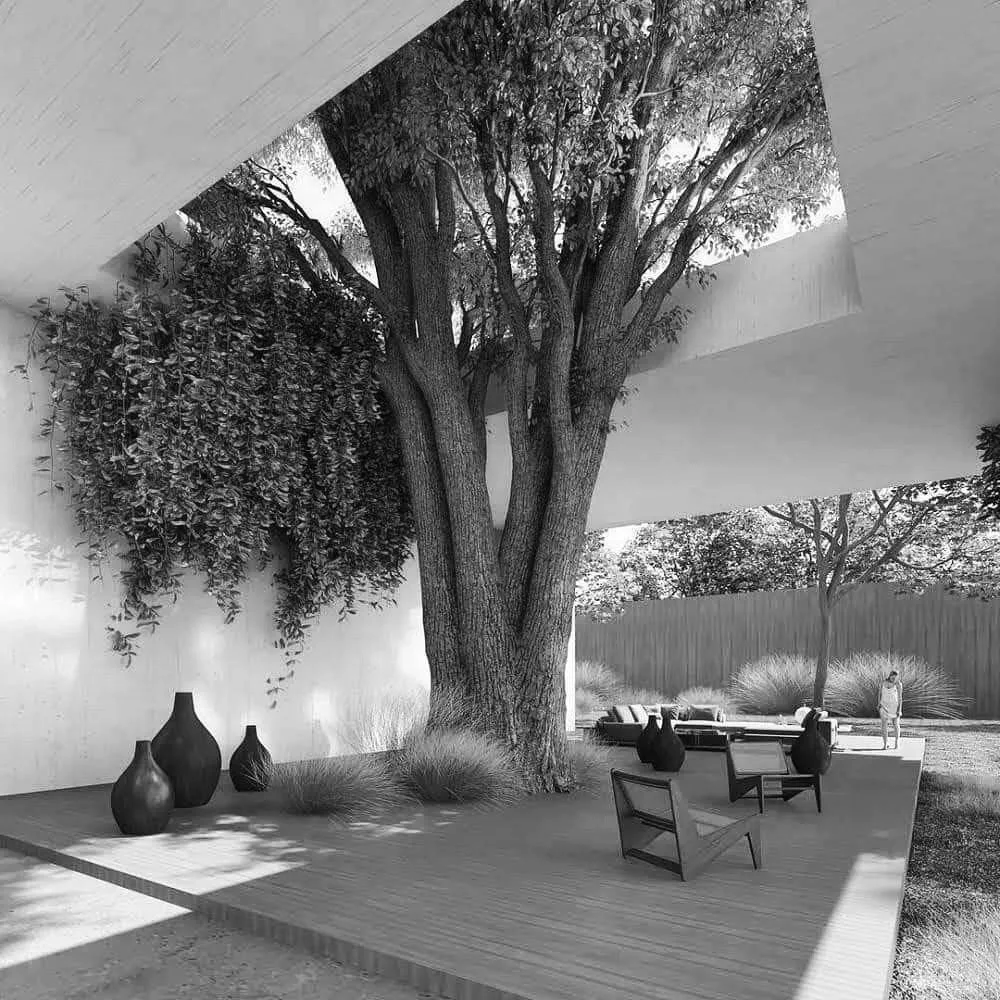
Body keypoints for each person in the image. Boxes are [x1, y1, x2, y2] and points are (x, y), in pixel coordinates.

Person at [878, 669, 903, 750]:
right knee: (884, 725)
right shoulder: (883, 682)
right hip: (884, 706)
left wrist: (899, 710)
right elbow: (879, 693)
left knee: (895, 724)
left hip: (894, 707)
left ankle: (896, 743)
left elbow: (900, 698)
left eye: (895, 677)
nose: (894, 678)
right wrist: (879, 703)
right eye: (892, 677)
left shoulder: (898, 684)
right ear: (890, 675)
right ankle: (885, 744)